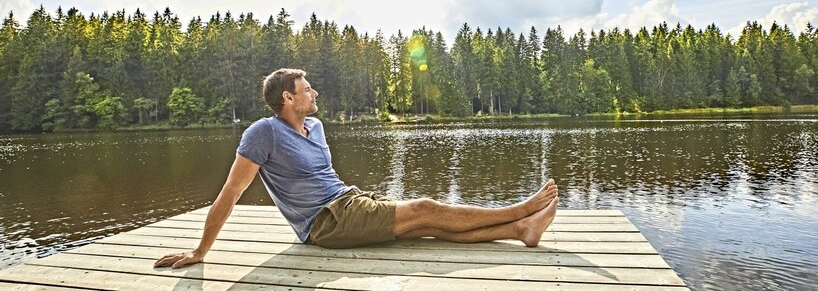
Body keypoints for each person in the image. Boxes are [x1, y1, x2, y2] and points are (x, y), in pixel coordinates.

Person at [154, 68, 559, 269]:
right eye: (306, 89)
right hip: (324, 223)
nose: (313, 92)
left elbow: (327, 179)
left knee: (424, 226)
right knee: (425, 207)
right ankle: (521, 210)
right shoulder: (264, 133)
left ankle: (520, 230)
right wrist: (200, 250)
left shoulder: (315, 126)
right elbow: (230, 194)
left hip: (349, 201)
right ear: (287, 98)